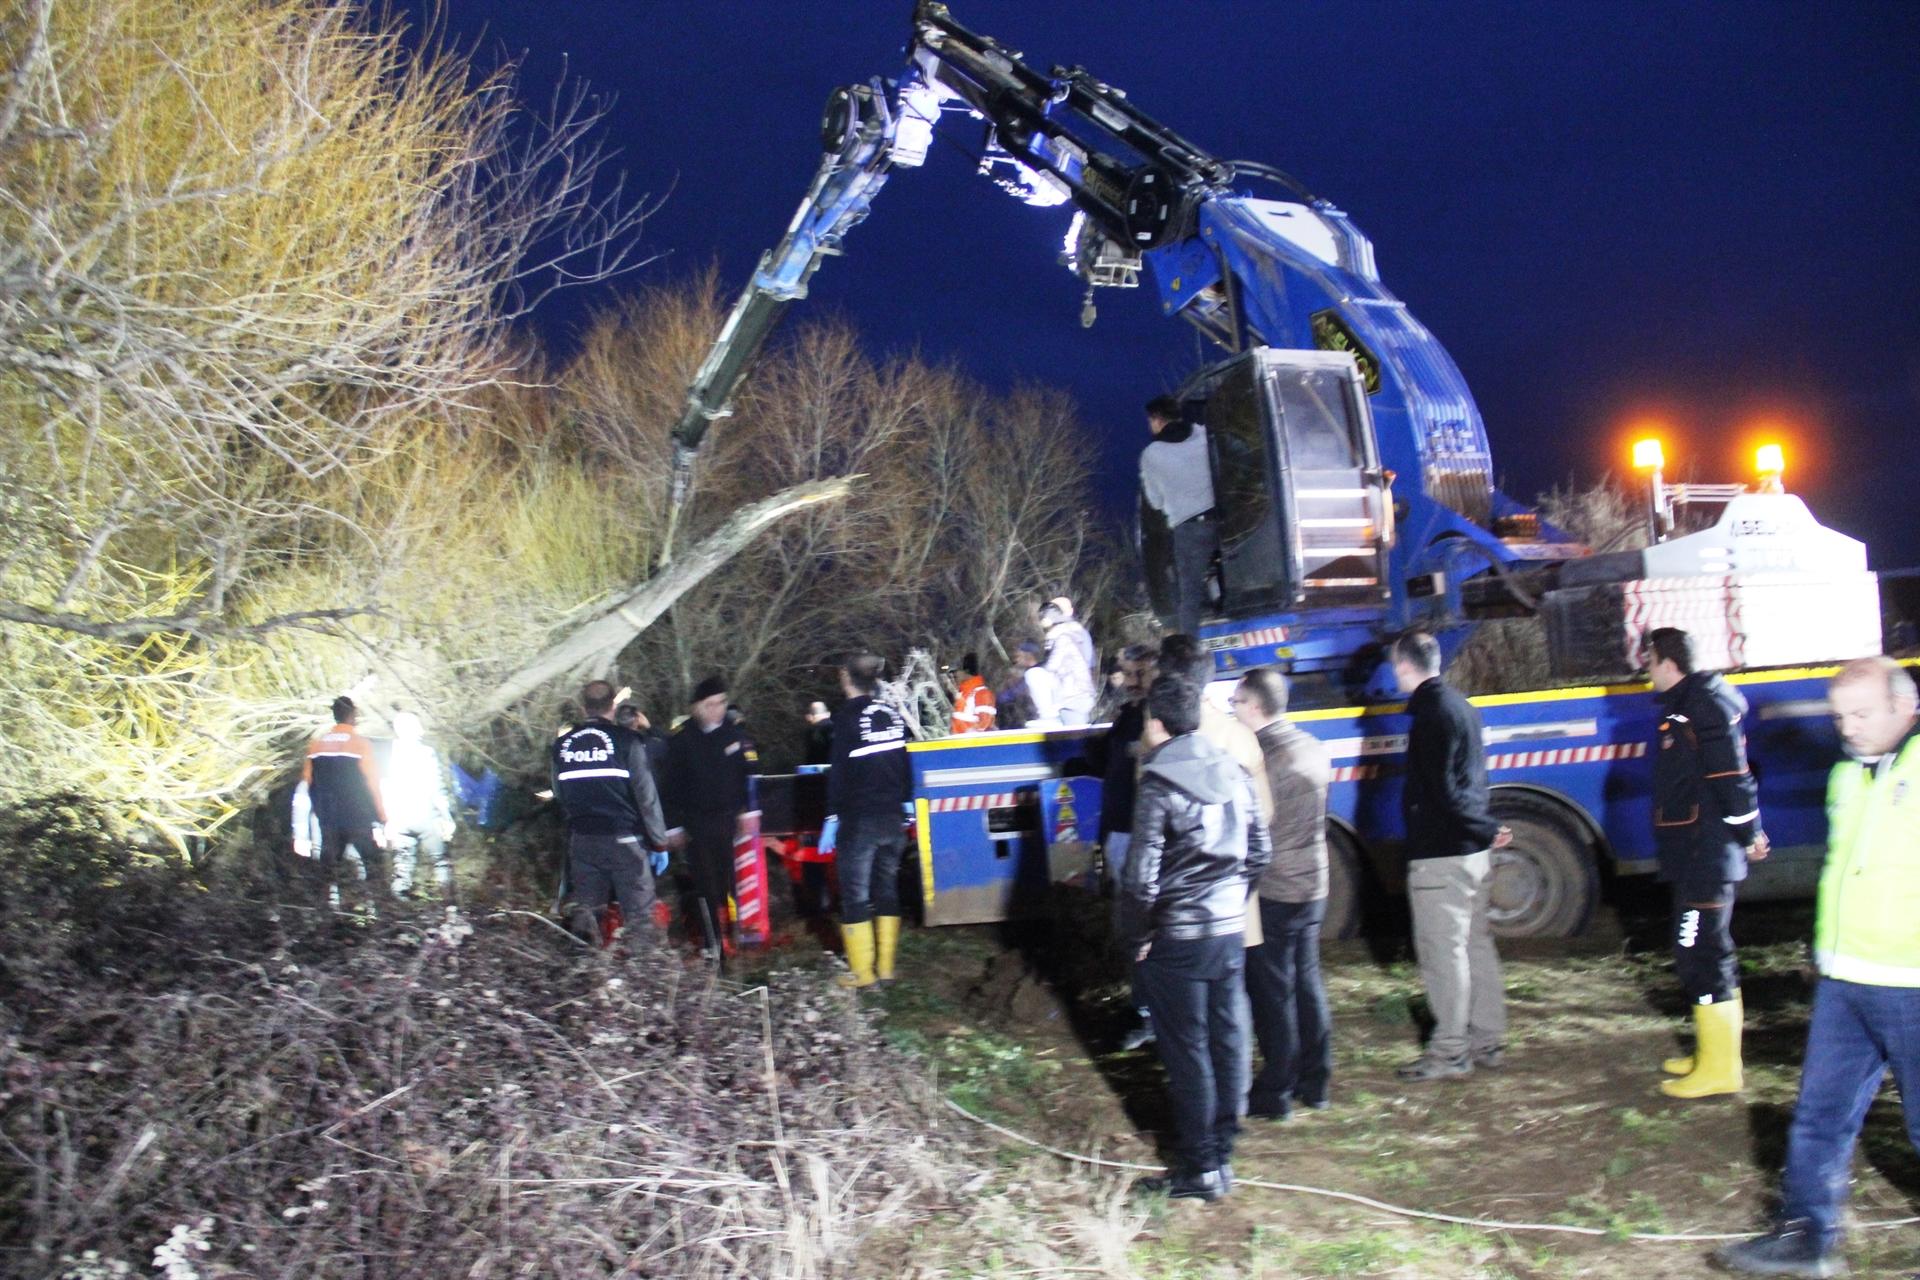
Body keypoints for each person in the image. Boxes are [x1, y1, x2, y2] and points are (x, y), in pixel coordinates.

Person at [1713, 657, 1920, 1279]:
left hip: (1910, 982)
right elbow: (1844, 870)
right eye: (1839, 717)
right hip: (1845, 981)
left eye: (1862, 713)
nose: (1849, 728)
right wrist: (1821, 952)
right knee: (1819, 1115)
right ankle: (1806, 1239)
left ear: (1905, 708)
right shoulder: (1845, 778)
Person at [1122, 675, 1272, 1202]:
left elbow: (1141, 879)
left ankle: (1200, 1169)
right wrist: (1233, 902)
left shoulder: (1159, 783)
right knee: (1228, 1039)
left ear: (1157, 724)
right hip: (1228, 931)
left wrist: (1139, 936)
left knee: (1187, 1053)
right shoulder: (1233, 770)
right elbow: (1260, 852)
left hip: (1178, 938)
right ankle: (1223, 1151)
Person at [1643, 627, 1770, 1099]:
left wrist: (1749, 832)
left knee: (1702, 954)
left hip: (1706, 855)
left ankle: (1720, 1069)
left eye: (1650, 662)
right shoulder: (1688, 704)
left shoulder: (1704, 706)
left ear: (1667, 662)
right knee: (1698, 953)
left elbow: (1732, 776)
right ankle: (1711, 1056)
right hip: (1693, 854)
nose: (1647, 672)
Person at [1391, 631, 1512, 1082]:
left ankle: (1449, 1053)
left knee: (1445, 955)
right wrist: (1484, 829)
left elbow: (1442, 791)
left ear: (1404, 666)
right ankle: (1488, 1039)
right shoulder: (1462, 707)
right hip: (1471, 855)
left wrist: (1484, 827)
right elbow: (1469, 785)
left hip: (1440, 857)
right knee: (1476, 945)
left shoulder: (1429, 716)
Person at [1234, 667, 1335, 1118]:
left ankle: (1276, 1092)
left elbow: (1254, 830)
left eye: (1236, 703)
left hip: (1276, 888)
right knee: (1307, 983)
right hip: (1314, 883)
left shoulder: (1264, 760)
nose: (1232, 710)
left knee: (1273, 993)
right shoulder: (1312, 747)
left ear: (1255, 707)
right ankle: (1317, 1082)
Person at [820, 652, 914, 988]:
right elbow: (904, 762)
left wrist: (831, 816)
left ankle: (862, 974)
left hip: (860, 820)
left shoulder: (845, 719)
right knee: (887, 889)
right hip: (892, 818)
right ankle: (886, 969)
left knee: (856, 894)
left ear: (846, 676)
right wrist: (907, 803)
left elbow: (839, 773)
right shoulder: (890, 714)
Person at [551, 680, 670, 945]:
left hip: (583, 841)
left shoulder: (562, 746)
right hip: (624, 841)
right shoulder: (628, 741)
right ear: (613, 705)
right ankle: (645, 977)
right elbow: (646, 797)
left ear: (584, 707)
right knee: (640, 917)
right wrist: (659, 843)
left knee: (588, 915)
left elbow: (559, 792)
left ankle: (585, 975)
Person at [661, 675, 759, 958]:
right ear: (697, 707)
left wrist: (749, 810)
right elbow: (668, 788)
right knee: (705, 884)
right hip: (696, 823)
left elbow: (749, 776)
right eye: (710, 704)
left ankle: (736, 931)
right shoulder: (681, 742)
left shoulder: (735, 736)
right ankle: (712, 943)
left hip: (729, 820)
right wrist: (673, 827)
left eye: (721, 703)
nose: (716, 709)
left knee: (729, 879)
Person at [1091, 643, 1157, 1049]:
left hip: (1138, 832)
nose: (1128, 679)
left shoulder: (1156, 721)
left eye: (1136, 673)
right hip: (1121, 828)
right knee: (1130, 925)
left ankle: (1148, 1013)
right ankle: (1143, 1006)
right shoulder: (1133, 714)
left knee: (1142, 926)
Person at [294, 695, 390, 909]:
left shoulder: (316, 746)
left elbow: (305, 786)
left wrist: (301, 831)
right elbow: (372, 783)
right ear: (352, 715)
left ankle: (328, 915)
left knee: (329, 873)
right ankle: (378, 913)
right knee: (372, 866)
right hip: (358, 817)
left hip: (327, 819)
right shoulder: (360, 744)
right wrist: (382, 817)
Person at [1140, 394, 1218, 636]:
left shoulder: (1152, 454)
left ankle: (1189, 650)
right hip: (1224, 520)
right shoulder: (1203, 434)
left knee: (1190, 595)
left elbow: (1155, 501)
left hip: (1188, 528)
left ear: (1156, 420)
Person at [385, 711, 457, 903]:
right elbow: (437, 787)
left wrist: (387, 820)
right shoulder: (426, 753)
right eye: (418, 726)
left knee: (402, 866)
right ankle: (451, 910)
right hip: (426, 815)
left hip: (400, 817)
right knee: (441, 861)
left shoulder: (388, 753)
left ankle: (400, 913)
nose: (422, 730)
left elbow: (384, 787)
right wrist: (446, 816)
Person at [1039, 597, 1098, 726]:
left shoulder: (1064, 636)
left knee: (1074, 736)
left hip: (1072, 696)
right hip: (1076, 694)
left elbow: (1052, 666)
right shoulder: (1072, 633)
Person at [615, 702, 670, 781]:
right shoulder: (652, 745)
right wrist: (649, 728)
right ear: (638, 720)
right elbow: (672, 746)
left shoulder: (612, 745)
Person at [1013, 640, 1062, 728]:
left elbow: (1043, 704)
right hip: (1055, 719)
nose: (1016, 660)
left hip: (1046, 722)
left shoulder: (1033, 674)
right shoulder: (1044, 671)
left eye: (1018, 656)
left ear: (1028, 656)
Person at [948, 653, 997, 735]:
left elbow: (984, 724)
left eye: (955, 671)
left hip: (970, 744)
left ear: (966, 671)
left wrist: (968, 737)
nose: (953, 675)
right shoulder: (961, 693)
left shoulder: (981, 693)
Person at [803, 700, 835, 764]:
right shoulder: (842, 728)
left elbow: (813, 758)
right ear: (828, 713)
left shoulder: (813, 732)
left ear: (809, 717)